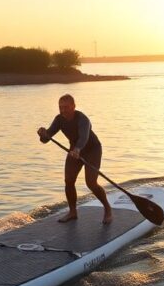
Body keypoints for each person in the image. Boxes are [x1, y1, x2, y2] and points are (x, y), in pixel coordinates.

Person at [37, 94, 113, 224]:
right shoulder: (59, 119)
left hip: (92, 150)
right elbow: (47, 138)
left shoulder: (83, 119)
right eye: (60, 107)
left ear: (73, 106)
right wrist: (43, 134)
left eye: (66, 107)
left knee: (91, 183)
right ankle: (73, 212)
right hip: (74, 151)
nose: (63, 110)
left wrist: (78, 149)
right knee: (69, 180)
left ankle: (107, 209)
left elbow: (84, 137)